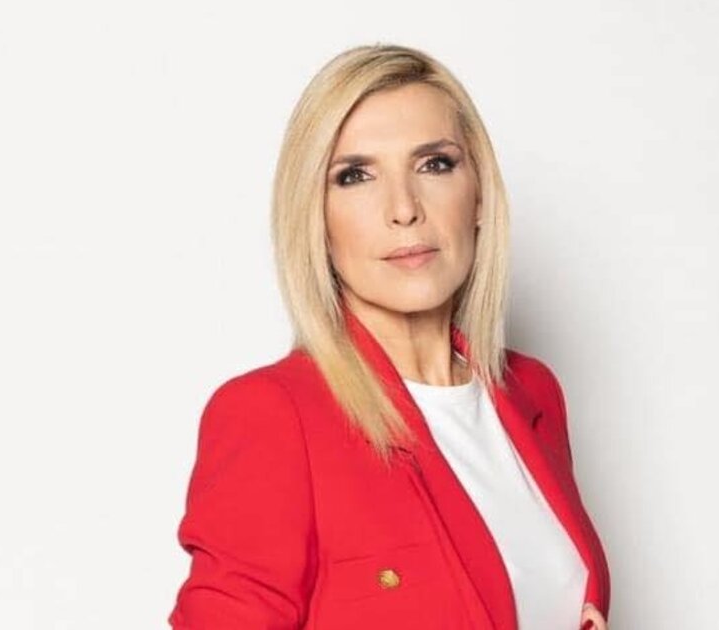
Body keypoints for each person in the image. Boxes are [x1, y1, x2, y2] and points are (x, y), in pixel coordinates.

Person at [167, 43, 611, 630]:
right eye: (355, 176)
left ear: (479, 195)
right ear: (315, 218)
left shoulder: (532, 391)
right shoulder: (273, 415)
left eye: (435, 165)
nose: (404, 209)